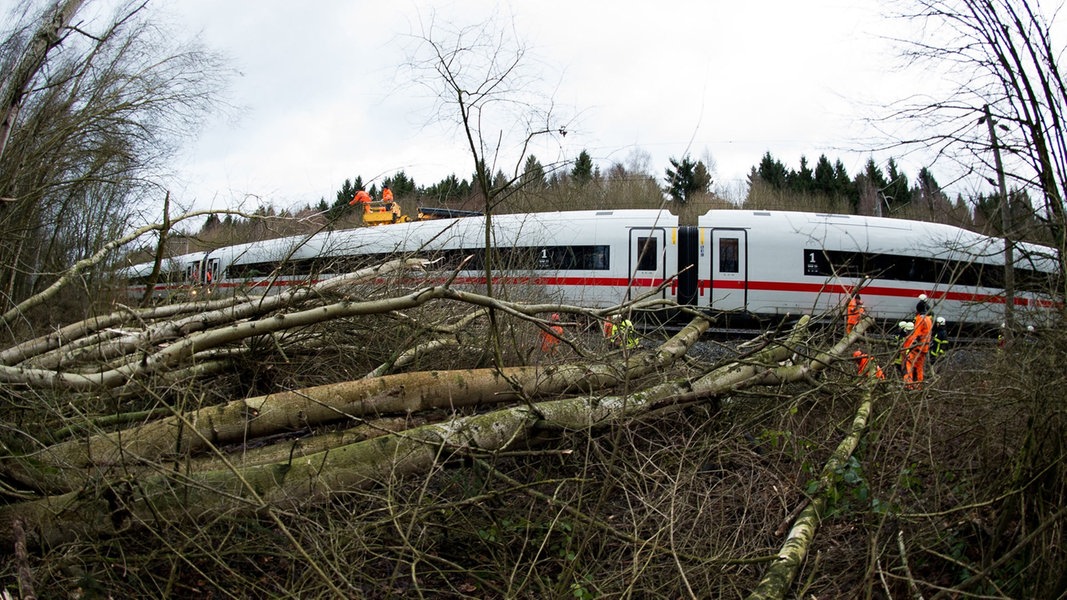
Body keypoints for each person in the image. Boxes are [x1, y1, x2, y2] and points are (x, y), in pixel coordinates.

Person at [903, 299, 933, 389]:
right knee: (919, 367)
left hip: (918, 347)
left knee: (908, 364)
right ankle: (920, 386)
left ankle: (909, 385)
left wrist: (911, 346)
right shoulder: (928, 319)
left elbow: (917, 334)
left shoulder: (920, 319)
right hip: (925, 347)